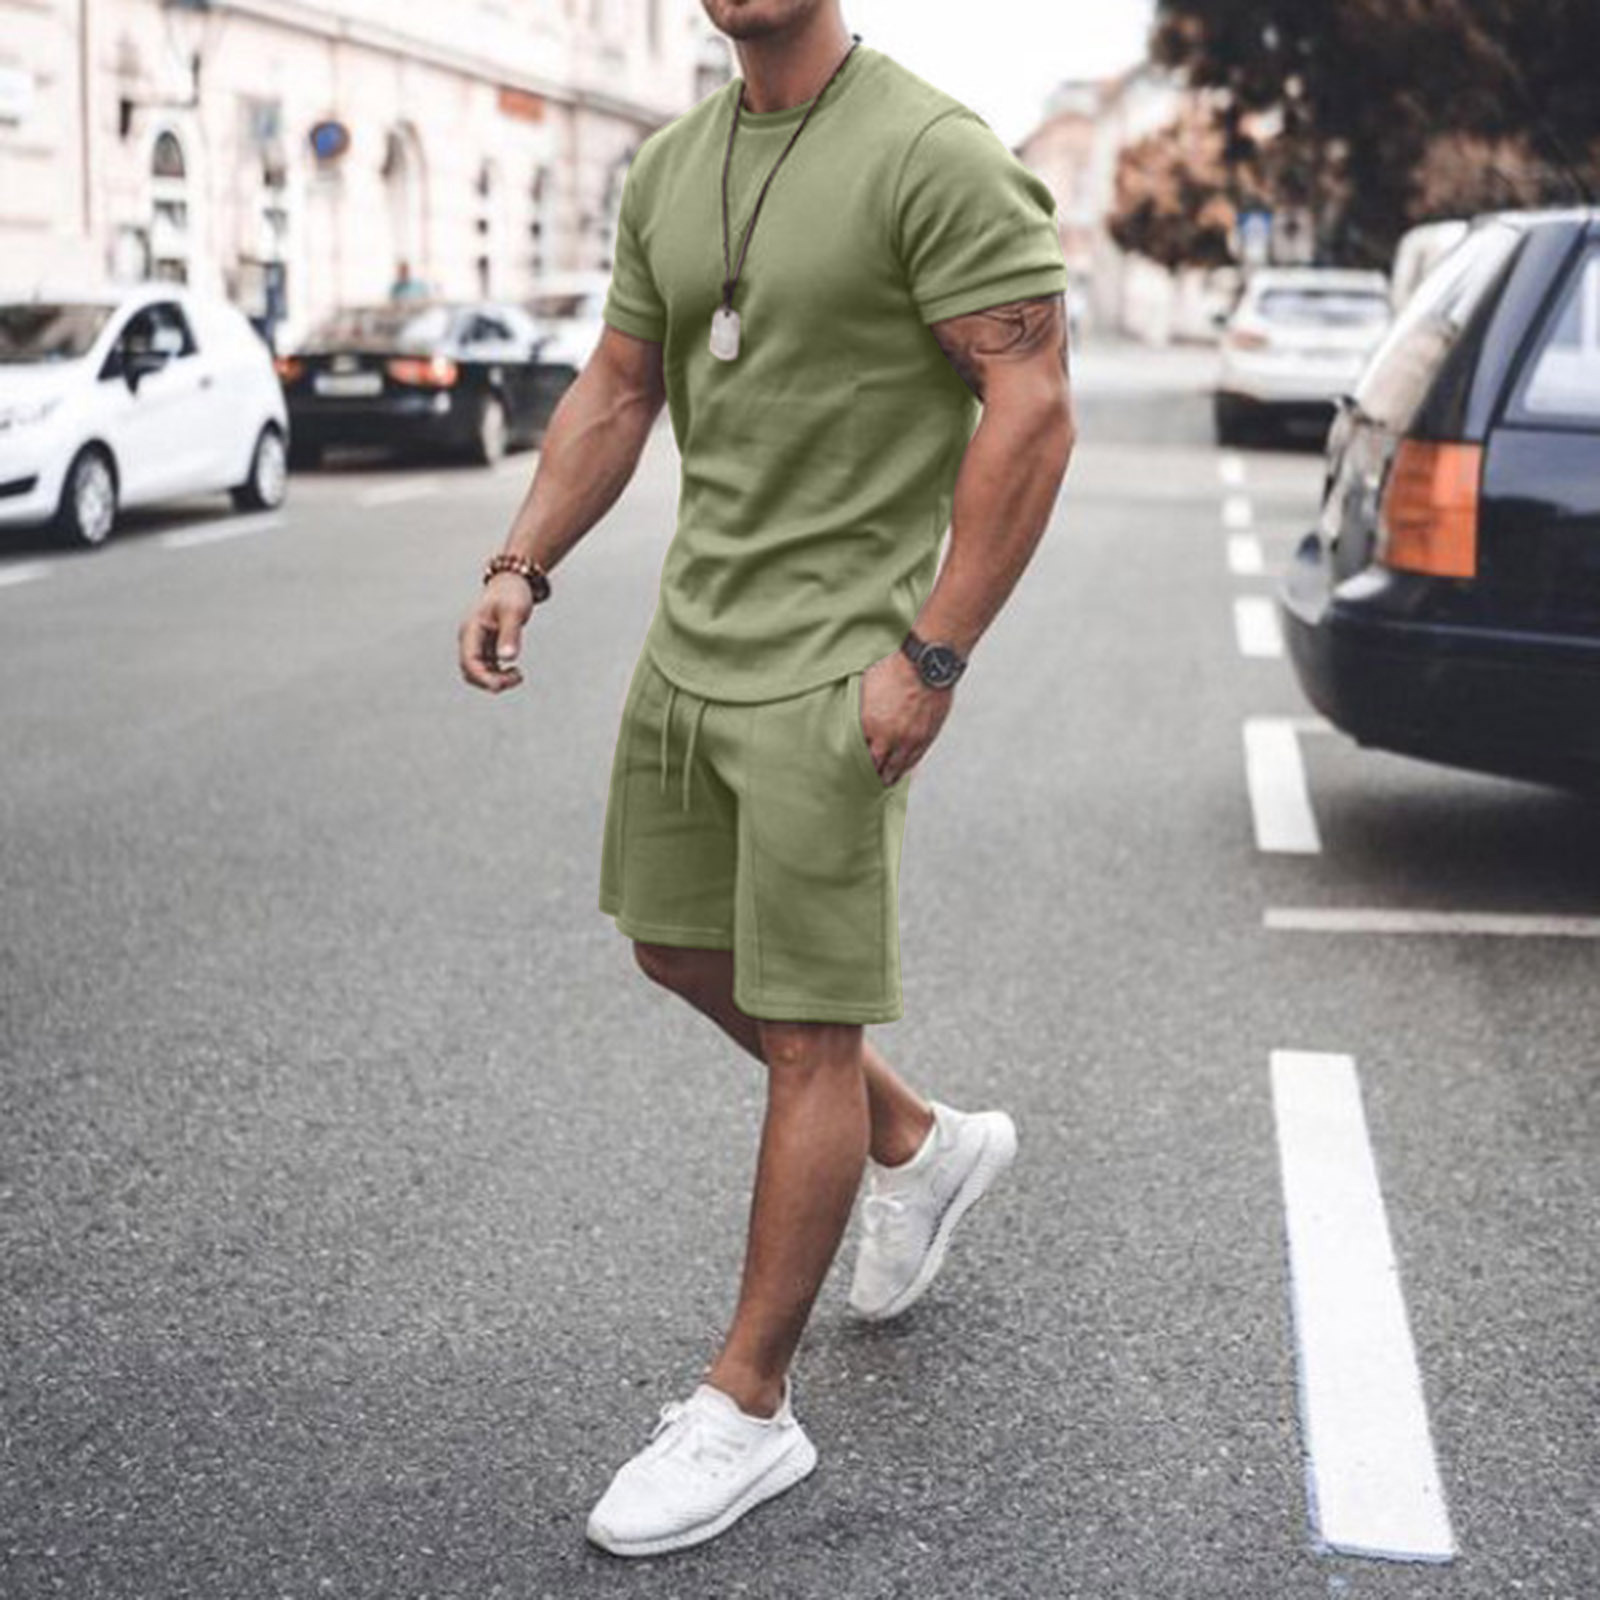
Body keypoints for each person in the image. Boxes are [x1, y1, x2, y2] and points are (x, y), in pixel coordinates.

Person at [457, 0, 1075, 1558]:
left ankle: (748, 1407)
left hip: (837, 667)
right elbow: (618, 387)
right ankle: (918, 1142)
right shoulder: (671, 165)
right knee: (674, 948)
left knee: (809, 1031)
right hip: (689, 649)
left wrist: (931, 655)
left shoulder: (933, 153)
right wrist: (524, 559)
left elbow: (1033, 405)